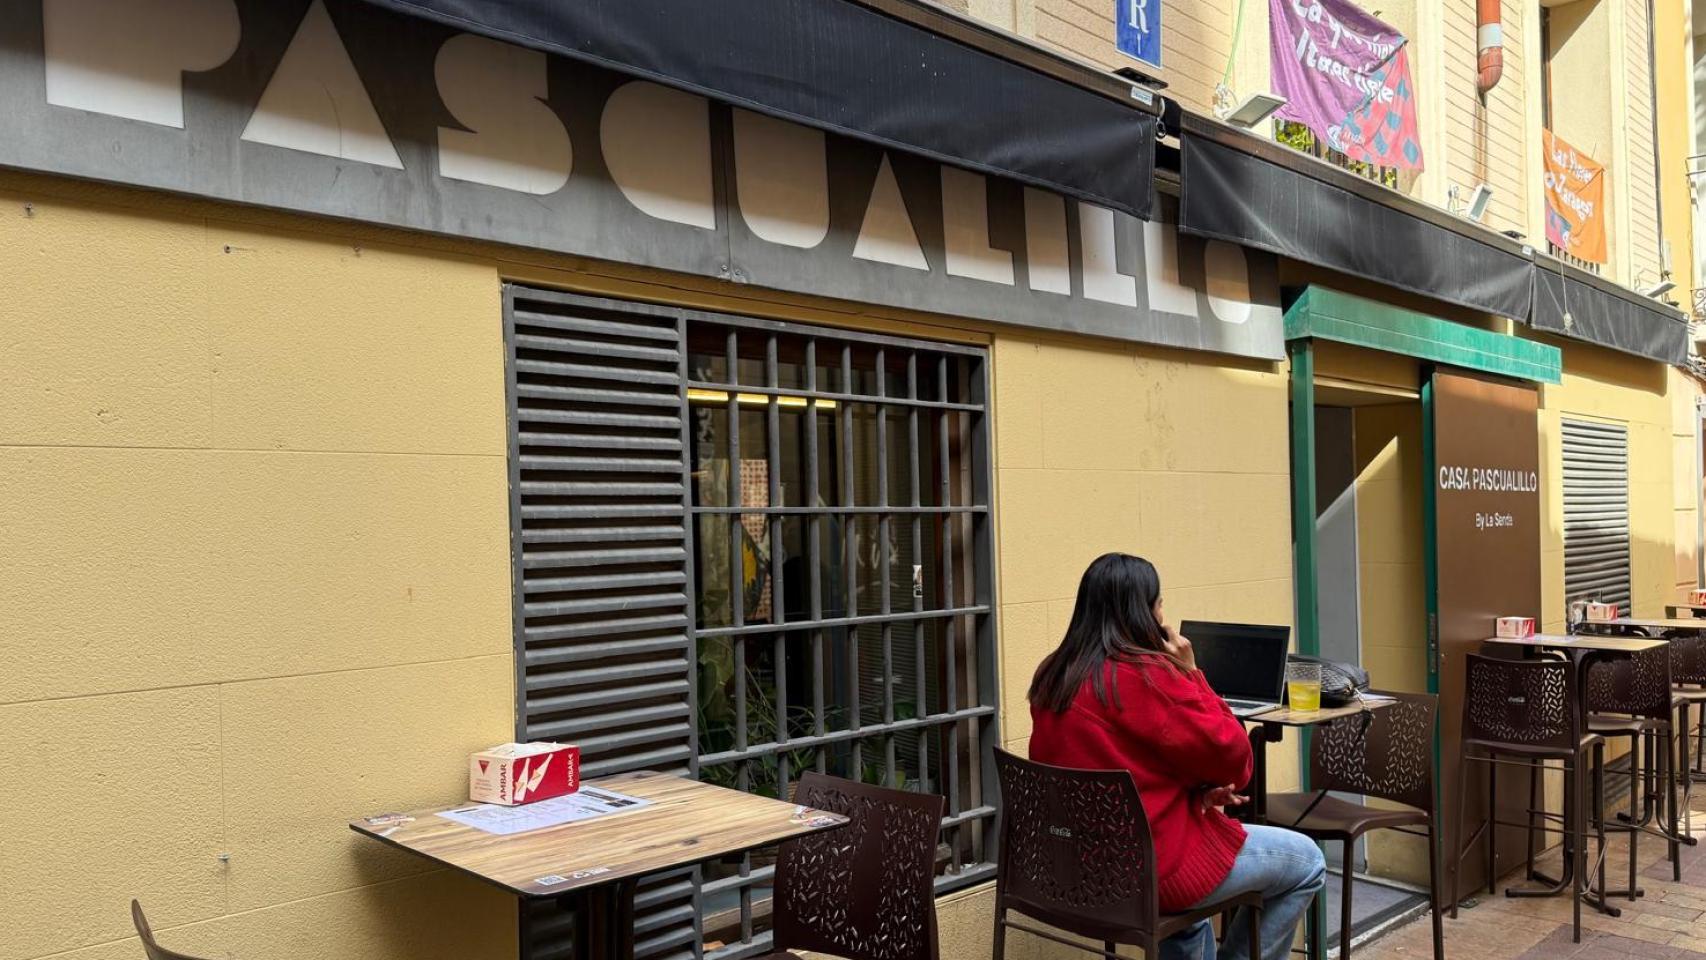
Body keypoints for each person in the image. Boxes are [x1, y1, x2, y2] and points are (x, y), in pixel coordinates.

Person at [1028, 553, 1324, 960]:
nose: (1163, 612)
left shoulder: (1053, 675)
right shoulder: (1147, 675)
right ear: (1144, 612)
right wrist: (1191, 673)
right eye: (1159, 602)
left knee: (1191, 924)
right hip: (1149, 872)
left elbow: (1116, 766)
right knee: (1308, 863)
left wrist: (1194, 791)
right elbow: (1237, 760)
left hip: (1077, 869)